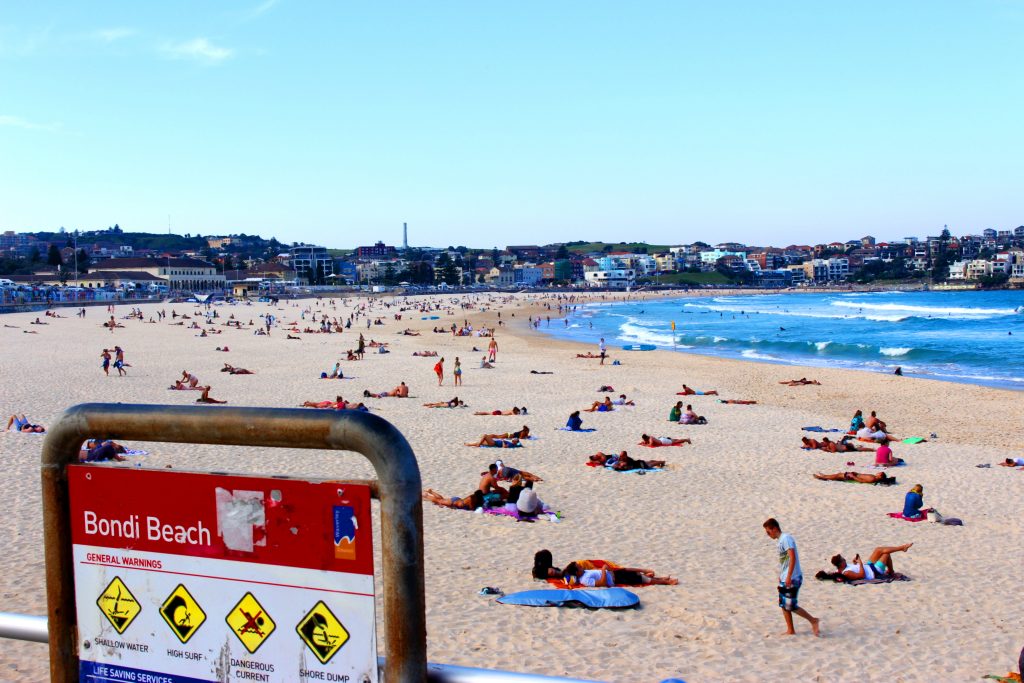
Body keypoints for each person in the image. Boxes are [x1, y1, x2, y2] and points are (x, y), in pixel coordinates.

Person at [762, 518, 820, 637]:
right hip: (786, 576)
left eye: (768, 532)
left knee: (790, 605)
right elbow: (785, 561)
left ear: (775, 528)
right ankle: (790, 630)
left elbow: (792, 557)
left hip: (793, 577)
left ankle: (813, 620)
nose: (768, 535)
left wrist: (788, 576)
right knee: (783, 604)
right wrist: (782, 575)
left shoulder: (786, 538)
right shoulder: (780, 541)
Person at [829, 543, 913, 581]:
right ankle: (891, 572)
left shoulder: (839, 570)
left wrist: (855, 563)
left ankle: (902, 548)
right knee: (886, 554)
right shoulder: (846, 573)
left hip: (868, 566)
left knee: (878, 549)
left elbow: (855, 569)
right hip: (873, 571)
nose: (845, 560)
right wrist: (860, 563)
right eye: (843, 560)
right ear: (841, 564)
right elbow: (861, 575)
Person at [561, 561, 677, 587]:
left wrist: (604, 569)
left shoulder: (585, 572)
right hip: (614, 579)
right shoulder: (584, 580)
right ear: (577, 571)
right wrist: (603, 570)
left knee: (627, 569)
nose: (581, 566)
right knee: (639, 578)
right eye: (579, 567)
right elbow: (601, 583)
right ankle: (666, 582)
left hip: (612, 573)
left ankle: (649, 572)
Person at [813, 471, 893, 484]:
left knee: (837, 476)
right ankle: (824, 476)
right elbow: (862, 475)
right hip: (854, 475)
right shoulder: (873, 476)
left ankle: (824, 477)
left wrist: (853, 476)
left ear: (880, 476)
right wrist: (855, 473)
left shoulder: (872, 479)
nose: (878, 472)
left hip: (852, 477)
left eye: (879, 473)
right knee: (838, 475)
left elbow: (861, 481)